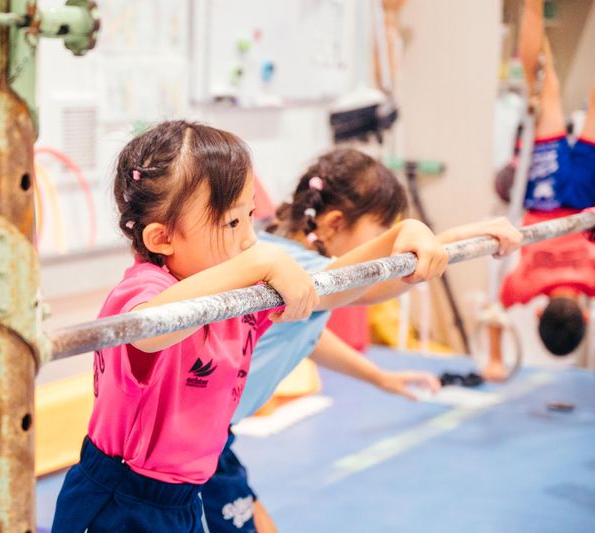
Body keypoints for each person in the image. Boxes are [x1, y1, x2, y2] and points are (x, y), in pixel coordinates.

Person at [51, 121, 451, 532]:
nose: (249, 239)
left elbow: (332, 287)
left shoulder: (240, 293)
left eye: (249, 217)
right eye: (231, 224)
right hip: (120, 499)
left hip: (184, 496)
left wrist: (404, 234)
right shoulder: (143, 289)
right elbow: (151, 328)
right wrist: (261, 262)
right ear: (162, 238)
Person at [201, 148, 523, 532]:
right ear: (334, 224)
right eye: (379, 233)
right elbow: (376, 283)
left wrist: (379, 377)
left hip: (213, 436)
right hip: (192, 439)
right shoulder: (293, 271)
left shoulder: (285, 259)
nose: (383, 246)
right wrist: (443, 238)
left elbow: (306, 337)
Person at [486, 0, 595, 380]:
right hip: (547, 200)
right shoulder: (523, 288)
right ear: (537, 312)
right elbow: (494, 313)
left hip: (585, 201)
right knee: (545, 90)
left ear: (586, 316)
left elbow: (494, 312)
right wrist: (494, 360)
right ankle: (532, 7)